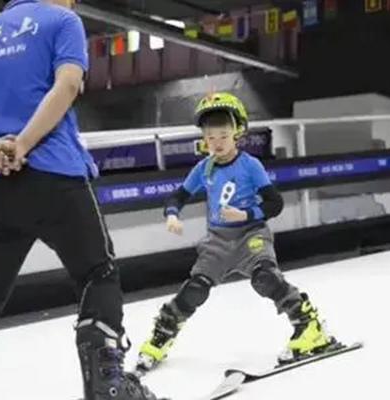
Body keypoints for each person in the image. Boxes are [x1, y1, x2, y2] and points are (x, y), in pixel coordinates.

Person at [0, 1, 162, 399]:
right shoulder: (62, 21)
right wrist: (23, 144)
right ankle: (107, 388)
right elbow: (68, 84)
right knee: (98, 273)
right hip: (55, 173)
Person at [136, 92, 337, 373]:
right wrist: (172, 214)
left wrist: (246, 214)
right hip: (217, 240)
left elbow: (274, 203)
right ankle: (162, 335)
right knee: (195, 289)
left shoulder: (250, 165)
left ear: (237, 133)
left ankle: (310, 327)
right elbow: (177, 197)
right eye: (210, 137)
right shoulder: (203, 168)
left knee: (265, 278)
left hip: (251, 234)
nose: (216, 143)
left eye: (222, 135)